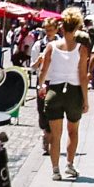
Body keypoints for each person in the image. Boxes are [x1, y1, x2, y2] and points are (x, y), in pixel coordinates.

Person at [37, 7, 90, 180]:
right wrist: (86, 99)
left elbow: (43, 70)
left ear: (62, 27)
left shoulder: (51, 46)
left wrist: (40, 86)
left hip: (55, 91)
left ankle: (55, 170)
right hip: (73, 92)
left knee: (55, 135)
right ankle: (69, 164)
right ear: (77, 28)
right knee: (73, 131)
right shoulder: (81, 49)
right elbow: (83, 76)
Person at [30, 18, 60, 155]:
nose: (48, 33)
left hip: (58, 80)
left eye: (51, 30)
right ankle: (46, 134)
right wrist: (38, 61)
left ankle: (51, 137)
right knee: (42, 110)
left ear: (56, 29)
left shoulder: (62, 44)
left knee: (55, 110)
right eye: (46, 30)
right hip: (43, 81)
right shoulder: (38, 45)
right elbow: (32, 67)